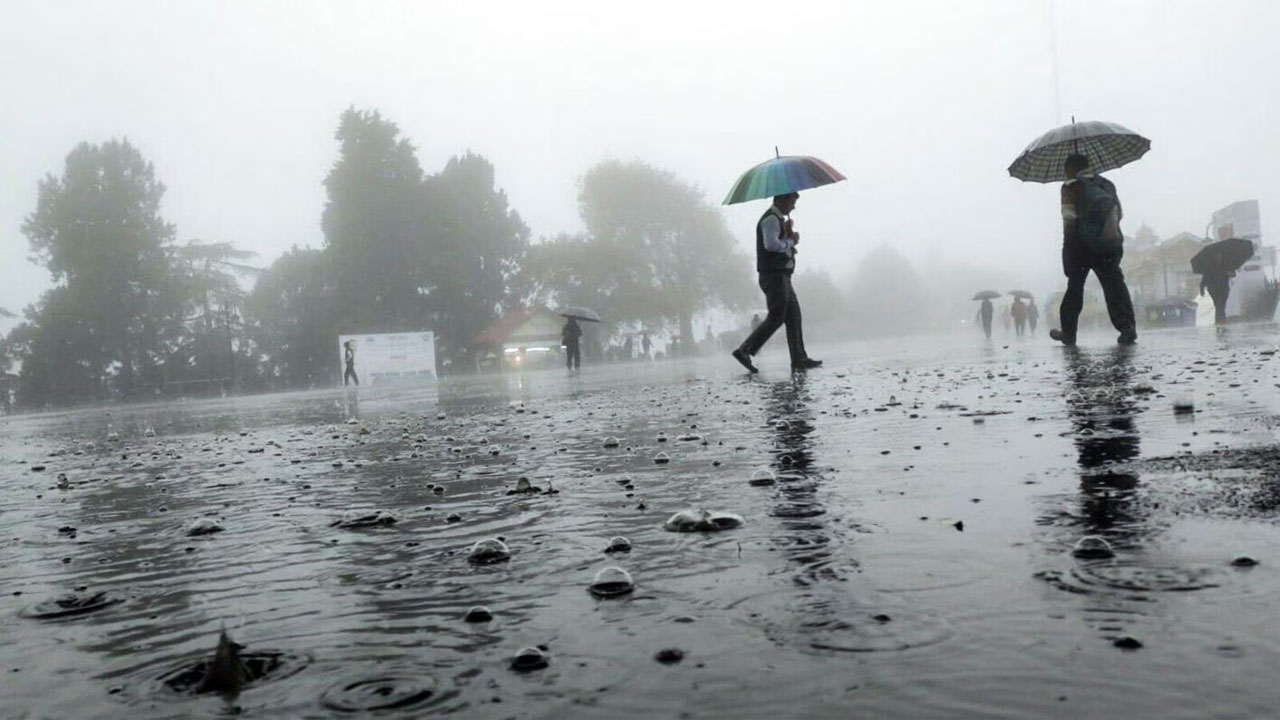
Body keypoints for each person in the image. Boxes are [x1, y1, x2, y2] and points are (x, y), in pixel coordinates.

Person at [1050, 154, 1137, 346]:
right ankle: (1127, 328)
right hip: (1107, 245)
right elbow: (1118, 214)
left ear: (1071, 168)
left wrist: (1067, 248)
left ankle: (1069, 333)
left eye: (1066, 170)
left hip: (1081, 247)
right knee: (1115, 286)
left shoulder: (1070, 187)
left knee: (1075, 289)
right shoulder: (1106, 184)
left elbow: (1069, 218)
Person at [731, 192, 822, 373]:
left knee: (794, 316)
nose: (793, 207)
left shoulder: (778, 220)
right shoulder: (770, 220)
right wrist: (789, 241)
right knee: (777, 317)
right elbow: (771, 245)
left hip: (783, 276)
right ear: (782, 199)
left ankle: (799, 358)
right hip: (774, 276)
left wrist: (788, 236)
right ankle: (745, 350)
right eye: (792, 202)